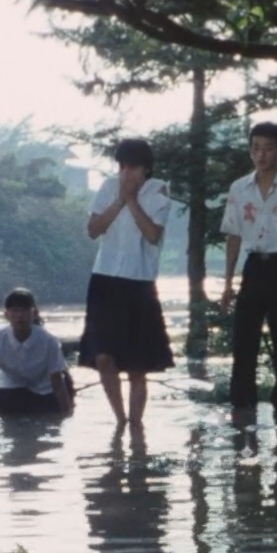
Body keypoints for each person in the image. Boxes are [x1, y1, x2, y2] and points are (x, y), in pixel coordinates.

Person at [78, 137, 174, 426]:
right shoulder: (108, 187)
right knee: (103, 357)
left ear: (146, 168)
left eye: (133, 167)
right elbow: (93, 229)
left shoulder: (158, 191)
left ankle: (136, 424)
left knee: (137, 364)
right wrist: (120, 199)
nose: (126, 173)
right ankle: (120, 419)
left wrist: (132, 200)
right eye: (122, 167)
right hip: (105, 279)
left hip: (138, 282)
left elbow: (153, 234)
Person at [218, 122, 277, 413]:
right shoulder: (239, 188)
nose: (261, 155)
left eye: (269, 148)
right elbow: (233, 235)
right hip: (254, 266)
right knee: (244, 344)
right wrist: (228, 283)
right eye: (256, 148)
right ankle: (242, 413)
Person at [0, 288, 74, 417]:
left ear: (34, 313)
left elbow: (57, 382)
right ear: (6, 314)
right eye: (15, 310)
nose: (20, 315)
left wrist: (67, 413)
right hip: (10, 391)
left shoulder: (49, 341)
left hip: (43, 392)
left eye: (25, 310)